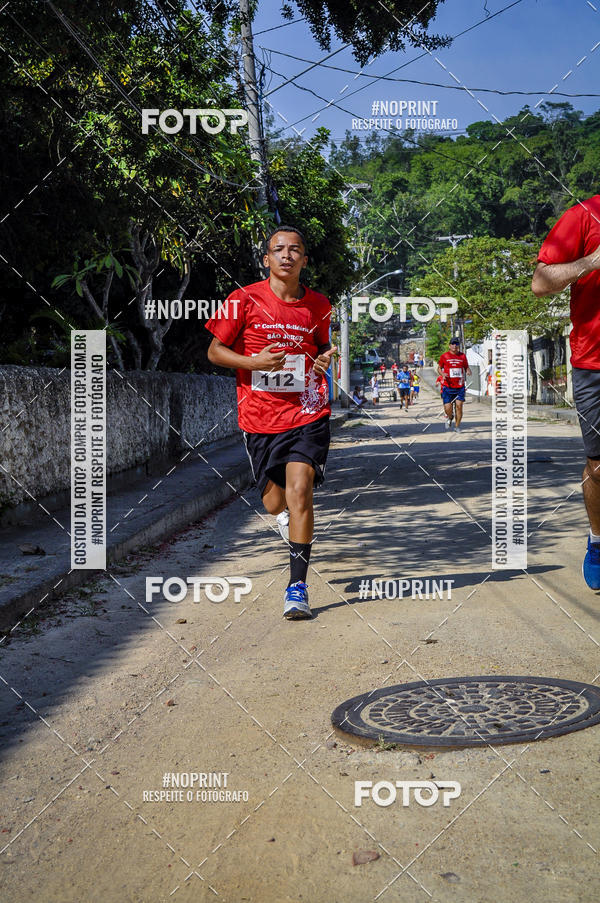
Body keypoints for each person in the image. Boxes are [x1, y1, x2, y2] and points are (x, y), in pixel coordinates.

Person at [205, 225, 334, 620]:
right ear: (266, 258)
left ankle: (297, 587)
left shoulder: (319, 305)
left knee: (300, 490)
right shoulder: (242, 300)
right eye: (279, 249)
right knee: (274, 501)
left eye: (295, 250)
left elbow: (323, 347)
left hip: (308, 411)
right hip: (259, 417)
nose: (287, 255)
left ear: (304, 260)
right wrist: (253, 362)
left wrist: (323, 360)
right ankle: (283, 517)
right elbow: (214, 351)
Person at [532, 195, 600, 589]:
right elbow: (540, 283)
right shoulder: (583, 216)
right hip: (594, 363)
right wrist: (590, 262)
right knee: (598, 465)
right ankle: (598, 541)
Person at [438, 338, 471, 432]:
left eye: (456, 344)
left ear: (458, 346)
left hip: (459, 387)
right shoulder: (444, 356)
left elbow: (466, 367)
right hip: (448, 386)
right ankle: (450, 416)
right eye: (452, 344)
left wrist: (468, 370)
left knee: (459, 406)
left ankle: (457, 426)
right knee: (447, 408)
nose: (454, 346)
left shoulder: (462, 356)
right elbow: (439, 368)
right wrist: (442, 374)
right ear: (449, 346)